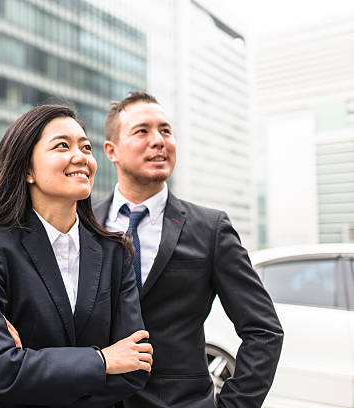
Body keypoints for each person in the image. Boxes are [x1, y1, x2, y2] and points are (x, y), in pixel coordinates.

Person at [93, 92, 284, 408]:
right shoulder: (84, 223)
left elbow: (264, 331)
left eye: (165, 131)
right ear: (111, 150)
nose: (159, 141)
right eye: (142, 131)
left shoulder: (211, 229)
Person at [0, 104, 153, 407]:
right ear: (27, 169)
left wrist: (33, 366)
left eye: (86, 147)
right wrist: (102, 361)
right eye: (63, 145)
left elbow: (134, 368)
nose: (82, 157)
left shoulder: (116, 252)